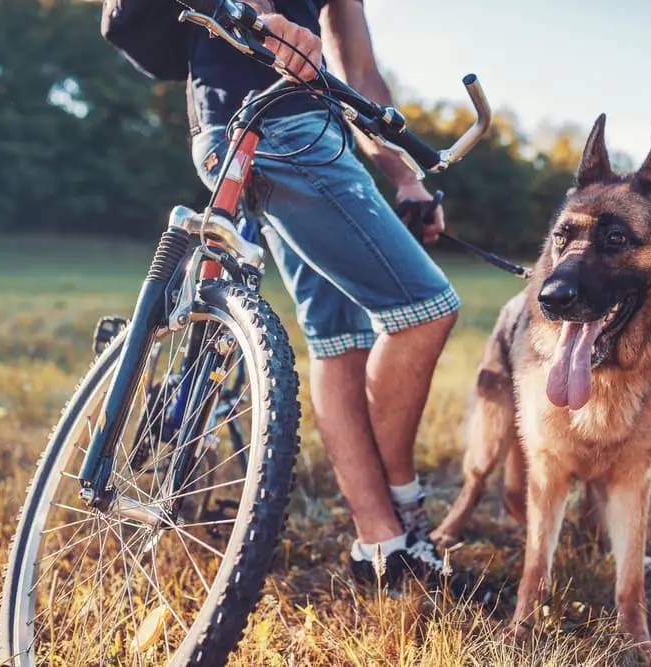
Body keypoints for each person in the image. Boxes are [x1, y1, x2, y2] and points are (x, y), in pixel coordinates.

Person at [185, 0, 491, 603]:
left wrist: (406, 177)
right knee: (425, 307)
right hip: (279, 128)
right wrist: (262, 20)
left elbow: (362, 81)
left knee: (338, 339)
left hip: (281, 130)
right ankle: (403, 508)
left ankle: (381, 546)